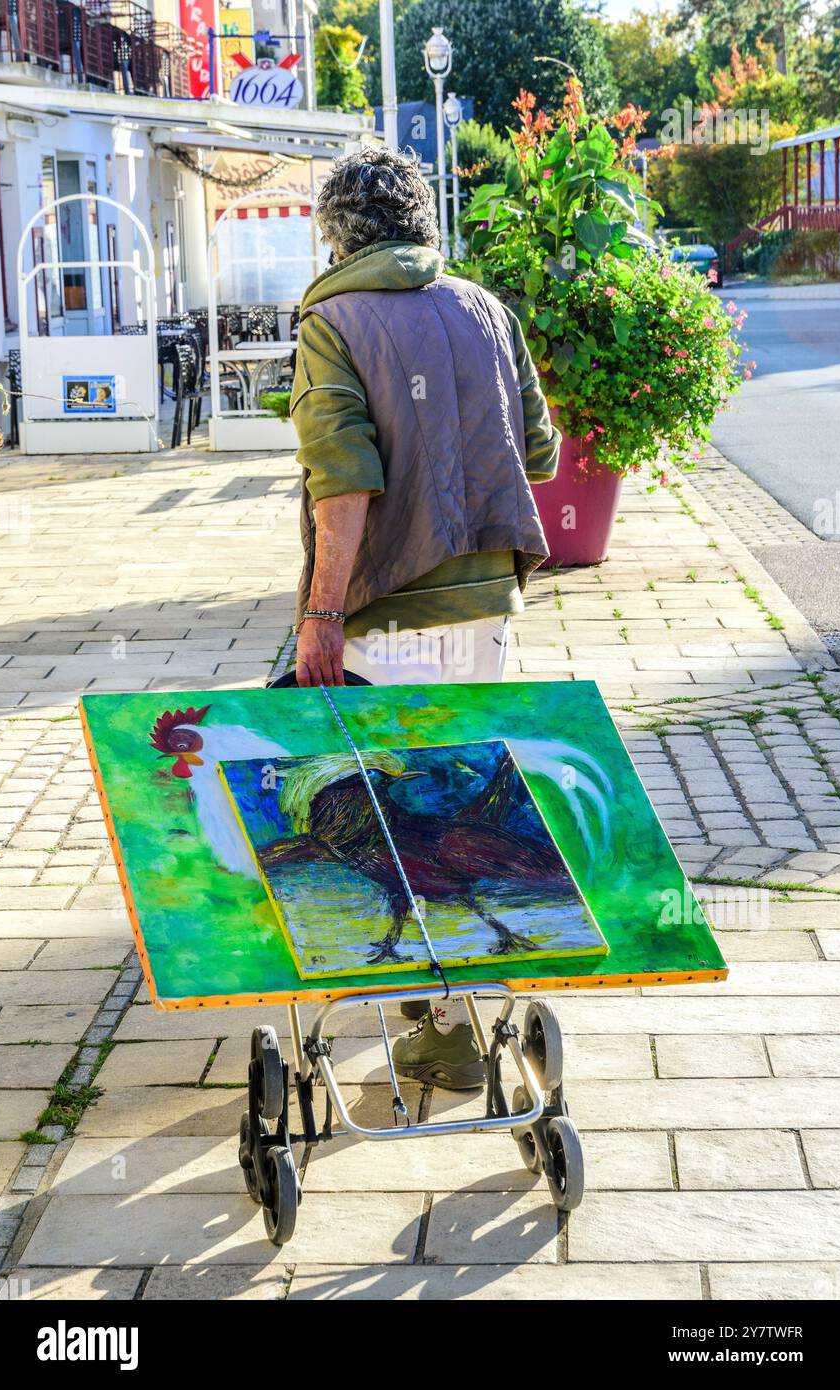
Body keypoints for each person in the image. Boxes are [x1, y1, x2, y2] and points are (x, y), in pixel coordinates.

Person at [290, 146, 560, 1089]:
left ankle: (441, 1034)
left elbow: (346, 479)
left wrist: (323, 612)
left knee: (402, 828)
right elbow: (541, 451)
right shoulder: (485, 308)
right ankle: (456, 1009)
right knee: (456, 795)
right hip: (486, 605)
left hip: (387, 614)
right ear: (422, 220)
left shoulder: (333, 321)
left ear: (335, 231)